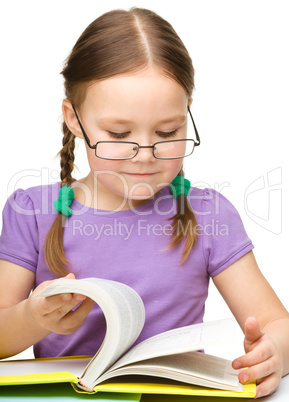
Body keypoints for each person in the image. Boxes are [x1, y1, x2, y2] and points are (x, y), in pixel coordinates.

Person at [0, 7, 288, 399]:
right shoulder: (31, 212)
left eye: (167, 132)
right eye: (119, 133)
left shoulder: (208, 215)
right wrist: (32, 318)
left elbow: (276, 322)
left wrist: (275, 353)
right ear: (73, 118)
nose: (145, 154)